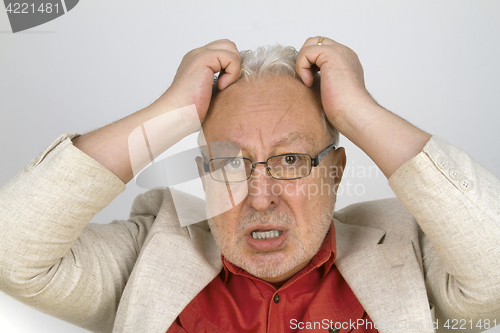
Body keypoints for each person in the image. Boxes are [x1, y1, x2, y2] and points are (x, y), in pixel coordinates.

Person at [0, 37, 499, 333]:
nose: (260, 197)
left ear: (337, 170)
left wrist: (357, 111)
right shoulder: (150, 249)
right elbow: (12, 253)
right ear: (203, 174)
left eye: (289, 159)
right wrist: (170, 112)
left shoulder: (409, 247)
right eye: (230, 166)